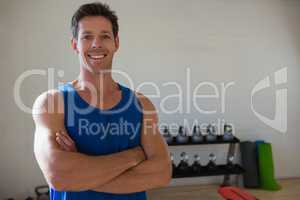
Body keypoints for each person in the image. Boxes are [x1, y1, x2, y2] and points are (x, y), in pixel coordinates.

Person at [32, 2, 171, 200]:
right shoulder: (51, 103)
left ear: (116, 43)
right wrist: (134, 156)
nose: (96, 43)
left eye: (105, 36)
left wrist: (80, 171)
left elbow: (161, 173)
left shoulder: (142, 105)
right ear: (75, 44)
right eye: (87, 37)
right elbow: (58, 175)